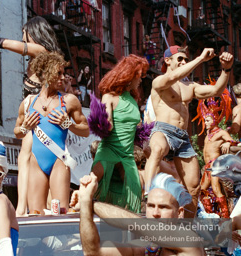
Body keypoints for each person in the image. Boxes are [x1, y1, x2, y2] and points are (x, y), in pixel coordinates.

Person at [144, 45, 234, 217]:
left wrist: (226, 69)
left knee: (194, 188)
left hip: (183, 138)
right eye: (180, 59)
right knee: (157, 149)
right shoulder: (159, 81)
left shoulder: (190, 86)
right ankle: (147, 195)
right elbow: (173, 77)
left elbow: (217, 90)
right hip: (163, 130)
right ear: (167, 61)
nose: (184, 62)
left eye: (185, 59)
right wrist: (200, 58)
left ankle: (188, 228)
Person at [0, 16, 62, 216]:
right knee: (25, 157)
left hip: (42, 118)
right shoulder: (37, 61)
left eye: (25, 35)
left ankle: (23, 209)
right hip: (33, 118)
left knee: (27, 156)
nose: (23, 39)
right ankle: (26, 207)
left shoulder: (44, 52)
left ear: (35, 34)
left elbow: (23, 47)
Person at [14, 51, 89, 214]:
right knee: (35, 214)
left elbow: (86, 130)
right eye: (59, 73)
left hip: (59, 161)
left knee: (61, 212)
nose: (63, 77)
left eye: (64, 73)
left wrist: (68, 124)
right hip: (36, 162)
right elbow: (17, 132)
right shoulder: (28, 102)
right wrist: (26, 127)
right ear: (46, 74)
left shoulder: (69, 101)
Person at [70, 172, 204, 255]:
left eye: (163, 207)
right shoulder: (148, 249)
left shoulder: (188, 239)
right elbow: (93, 251)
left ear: (179, 213)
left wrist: (90, 202)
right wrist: (85, 200)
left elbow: (138, 224)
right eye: (151, 206)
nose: (155, 213)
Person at [90, 54, 149, 213]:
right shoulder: (108, 96)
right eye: (140, 75)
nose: (141, 80)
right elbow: (107, 124)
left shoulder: (133, 100)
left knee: (135, 194)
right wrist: (103, 121)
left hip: (127, 155)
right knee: (90, 187)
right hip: (109, 151)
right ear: (129, 76)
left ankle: (129, 234)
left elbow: (136, 126)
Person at [192, 89, 234, 218]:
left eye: (209, 120)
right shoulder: (208, 135)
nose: (206, 123)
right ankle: (210, 215)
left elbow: (232, 141)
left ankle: (226, 218)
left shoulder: (220, 132)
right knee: (202, 191)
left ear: (215, 119)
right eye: (205, 121)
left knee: (216, 190)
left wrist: (228, 143)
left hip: (215, 165)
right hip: (207, 167)